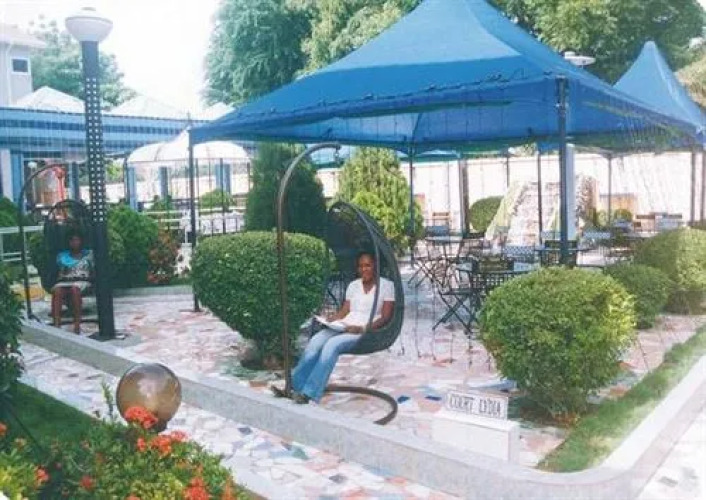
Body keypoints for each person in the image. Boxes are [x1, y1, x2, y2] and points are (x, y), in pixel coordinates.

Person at [273, 252, 395, 404]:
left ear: (375, 266)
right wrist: (331, 319)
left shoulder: (386, 286)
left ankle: (309, 393)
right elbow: (345, 311)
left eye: (368, 265)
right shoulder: (354, 285)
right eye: (361, 266)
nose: (364, 269)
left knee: (331, 345)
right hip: (344, 325)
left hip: (363, 330)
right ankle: (292, 387)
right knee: (315, 342)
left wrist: (362, 328)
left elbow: (385, 317)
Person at [51, 231, 94, 333]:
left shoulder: (88, 255)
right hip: (65, 280)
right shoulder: (62, 256)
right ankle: (56, 324)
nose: (74, 243)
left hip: (82, 281)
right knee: (57, 291)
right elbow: (59, 273)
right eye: (72, 240)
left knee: (75, 289)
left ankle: (77, 325)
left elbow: (92, 271)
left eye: (76, 240)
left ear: (81, 241)